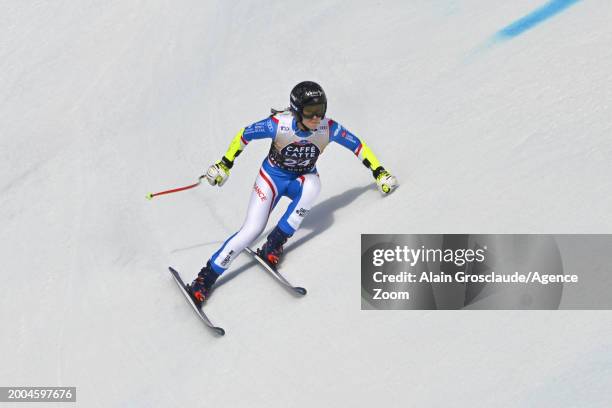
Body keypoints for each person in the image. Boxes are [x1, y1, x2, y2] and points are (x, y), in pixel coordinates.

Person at [188, 81, 398, 305]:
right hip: (271, 179)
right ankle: (204, 279)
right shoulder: (279, 124)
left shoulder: (329, 128)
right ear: (297, 110)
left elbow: (358, 145)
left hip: (300, 179)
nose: (316, 118)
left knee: (313, 185)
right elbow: (244, 135)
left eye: (321, 111)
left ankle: (274, 244)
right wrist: (224, 164)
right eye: (310, 112)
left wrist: (379, 172)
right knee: (251, 230)